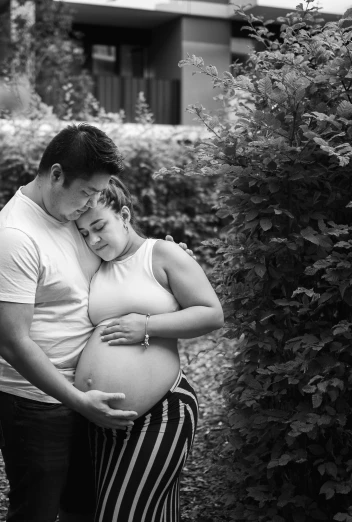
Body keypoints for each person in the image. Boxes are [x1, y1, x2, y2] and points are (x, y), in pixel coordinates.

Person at [0, 123, 138, 522]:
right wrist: (80, 401)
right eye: (86, 193)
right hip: (29, 400)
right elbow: (14, 343)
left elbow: (115, 254)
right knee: (38, 511)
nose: (91, 203)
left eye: (99, 194)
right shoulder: (13, 238)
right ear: (56, 175)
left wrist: (162, 262)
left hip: (74, 391)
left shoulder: (69, 214)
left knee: (82, 506)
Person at [74, 176, 224, 522]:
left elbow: (212, 313)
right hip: (101, 420)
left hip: (161, 412)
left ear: (124, 216)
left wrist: (145, 325)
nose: (94, 239)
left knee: (121, 515)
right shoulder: (99, 267)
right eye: (84, 233)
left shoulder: (161, 253)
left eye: (100, 227)